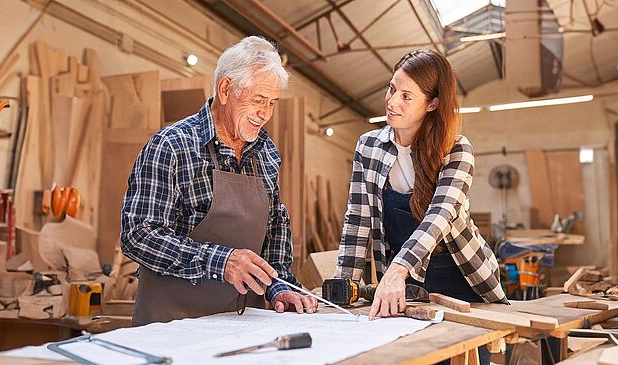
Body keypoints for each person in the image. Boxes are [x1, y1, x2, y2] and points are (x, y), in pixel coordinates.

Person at [121, 36, 317, 326]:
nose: (265, 114)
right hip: (172, 326)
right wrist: (222, 262)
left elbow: (275, 223)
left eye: (272, 103)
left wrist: (279, 284)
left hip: (241, 323)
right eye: (258, 100)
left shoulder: (265, 152)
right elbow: (139, 234)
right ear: (225, 89)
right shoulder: (172, 146)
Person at [334, 49, 508, 362]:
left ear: (432, 103)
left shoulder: (456, 149)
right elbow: (358, 220)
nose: (392, 102)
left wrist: (396, 270)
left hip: (460, 276)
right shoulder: (368, 146)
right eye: (391, 89)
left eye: (406, 96)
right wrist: (340, 291)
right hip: (407, 283)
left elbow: (439, 216)